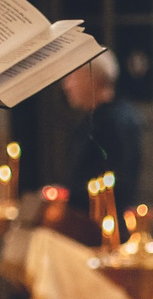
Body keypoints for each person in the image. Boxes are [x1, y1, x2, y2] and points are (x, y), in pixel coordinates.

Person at [60, 48, 144, 197]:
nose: (67, 85)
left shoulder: (115, 122)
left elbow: (116, 185)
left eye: (72, 77)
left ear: (92, 79)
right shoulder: (93, 118)